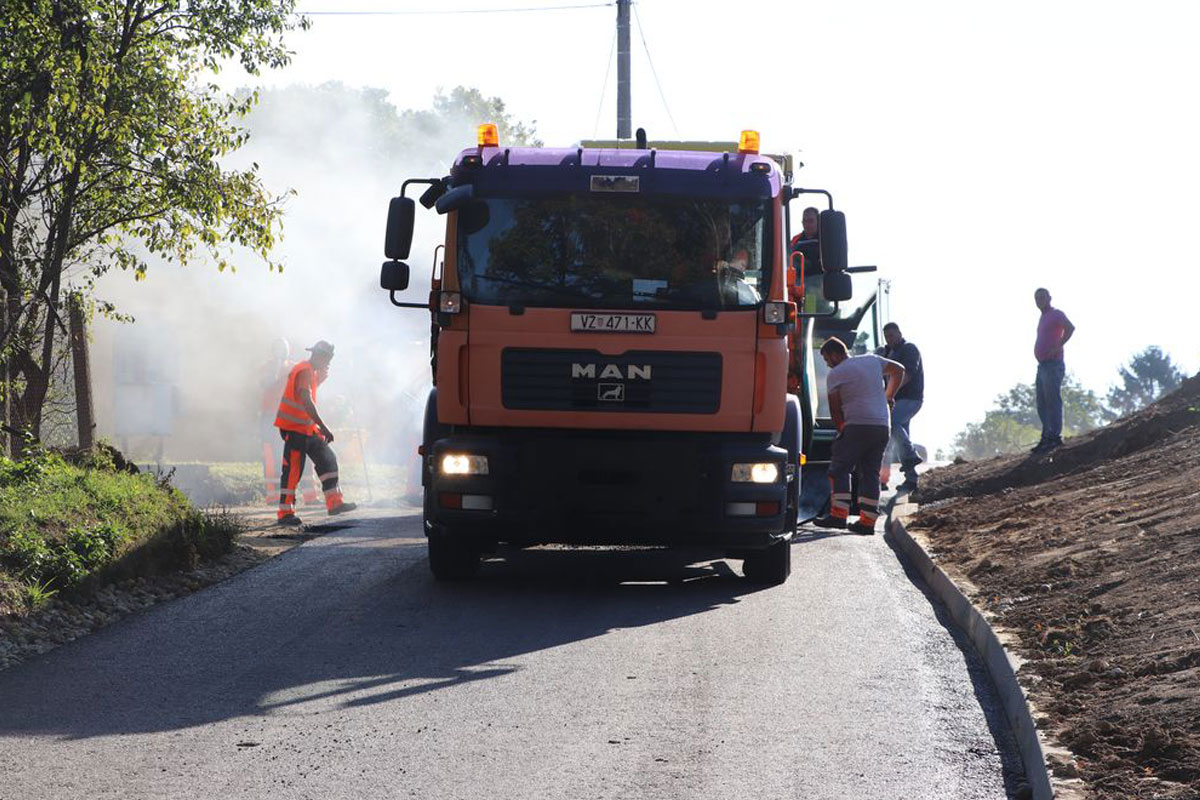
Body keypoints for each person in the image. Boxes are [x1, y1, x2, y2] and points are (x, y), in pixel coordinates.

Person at [813, 337, 905, 535]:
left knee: (839, 468)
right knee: (870, 472)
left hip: (857, 425)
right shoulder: (872, 360)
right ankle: (867, 522)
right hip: (881, 426)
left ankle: (838, 515)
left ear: (836, 354)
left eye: (827, 359)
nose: (828, 364)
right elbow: (899, 370)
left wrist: (841, 430)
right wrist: (888, 396)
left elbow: (835, 409)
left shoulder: (836, 374)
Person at [274, 340, 356, 525]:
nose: (329, 363)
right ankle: (285, 513)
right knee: (293, 471)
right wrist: (324, 427)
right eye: (328, 359)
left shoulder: (310, 371)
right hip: (295, 430)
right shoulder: (304, 370)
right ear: (320, 356)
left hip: (306, 429)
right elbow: (306, 400)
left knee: (328, 459)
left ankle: (334, 503)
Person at [879, 322, 924, 493]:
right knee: (892, 439)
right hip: (894, 401)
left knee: (893, 423)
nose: (889, 339)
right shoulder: (887, 353)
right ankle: (910, 479)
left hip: (910, 399)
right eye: (887, 337)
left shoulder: (909, 349)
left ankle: (912, 456)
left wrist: (888, 394)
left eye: (892, 335)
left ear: (899, 333)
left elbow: (906, 375)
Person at [1032, 288, 1075, 454]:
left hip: (1053, 364)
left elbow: (1070, 328)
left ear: (1049, 298)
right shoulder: (1043, 317)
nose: (1040, 300)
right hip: (1042, 365)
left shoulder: (1056, 314)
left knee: (1052, 400)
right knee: (1042, 402)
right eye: (1037, 298)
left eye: (1042, 297)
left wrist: (1058, 345)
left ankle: (1054, 436)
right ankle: (1046, 436)